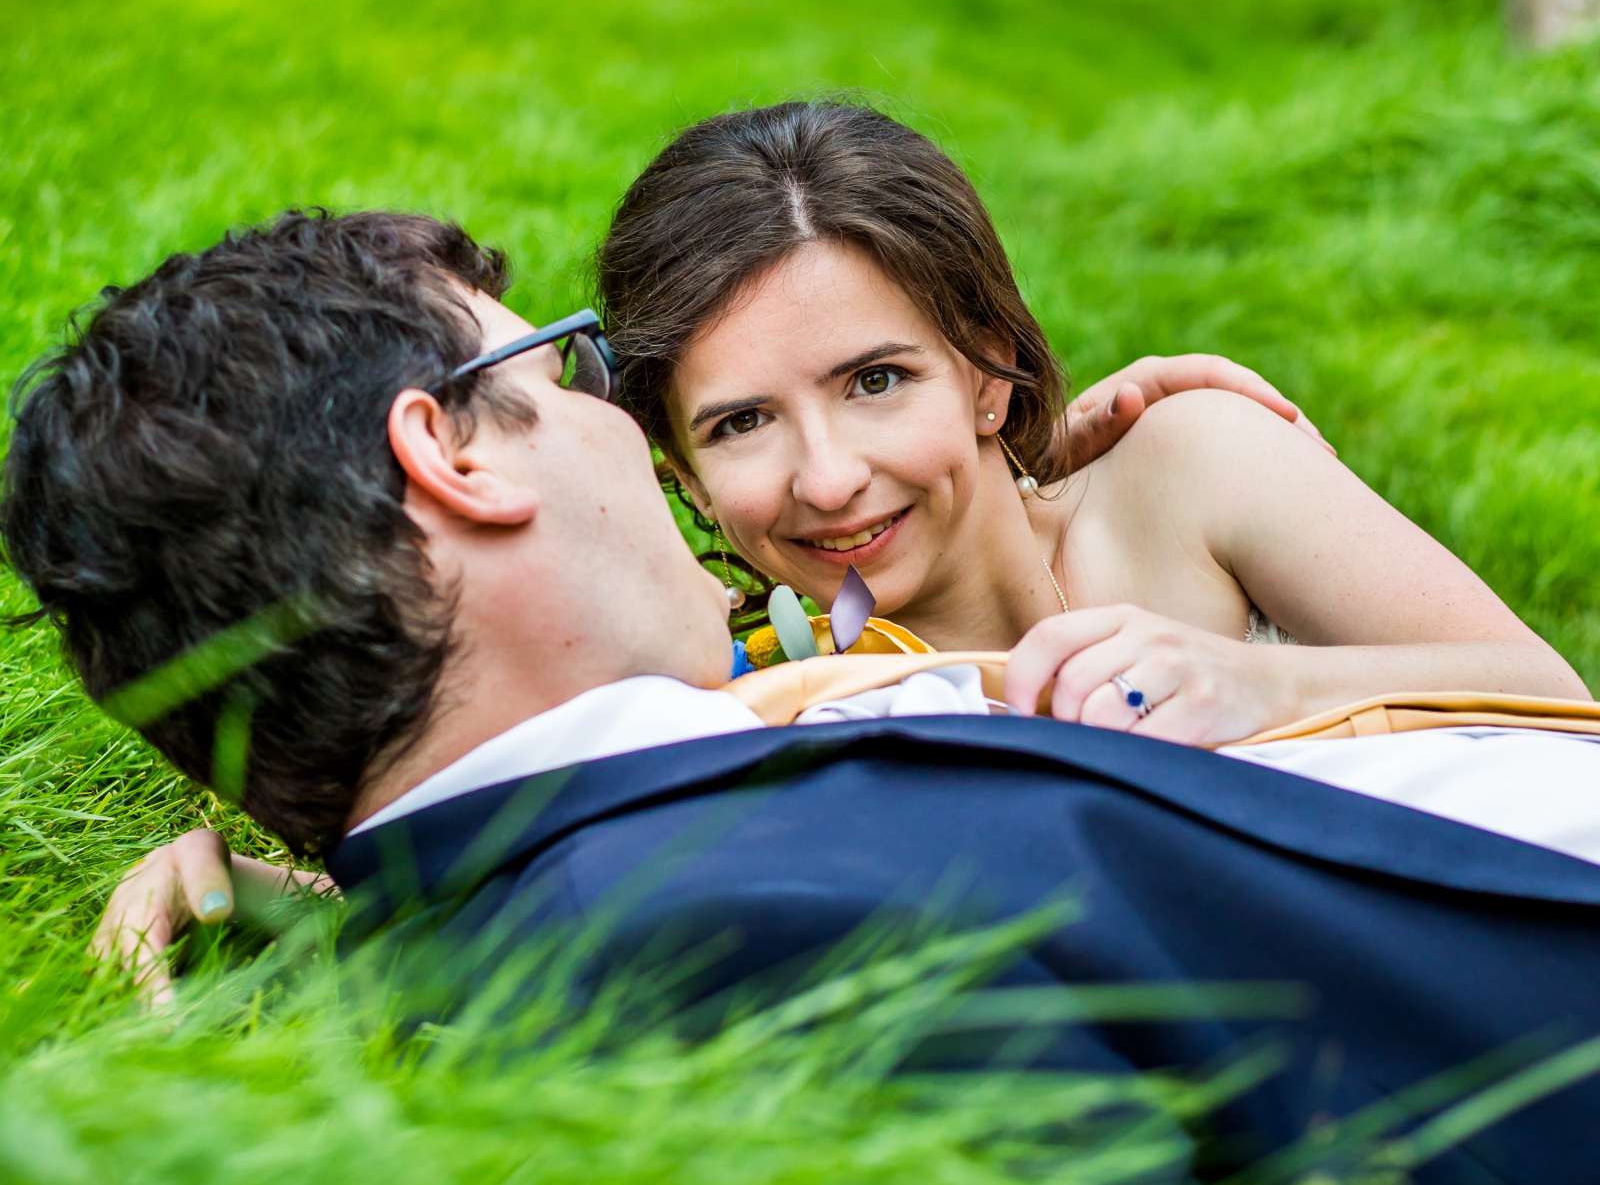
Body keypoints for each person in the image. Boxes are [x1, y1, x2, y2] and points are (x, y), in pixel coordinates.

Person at [6, 209, 1600, 1185]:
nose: (628, 441)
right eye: (561, 377)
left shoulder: (684, 787)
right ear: (454, 457)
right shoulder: (748, 928)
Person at [594, 101, 1587, 742]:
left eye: (876, 382)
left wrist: (1258, 687)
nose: (826, 478)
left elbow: (1555, 706)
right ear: (682, 476)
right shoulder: (731, 692)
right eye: (740, 425)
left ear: (990, 366)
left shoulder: (1188, 470)